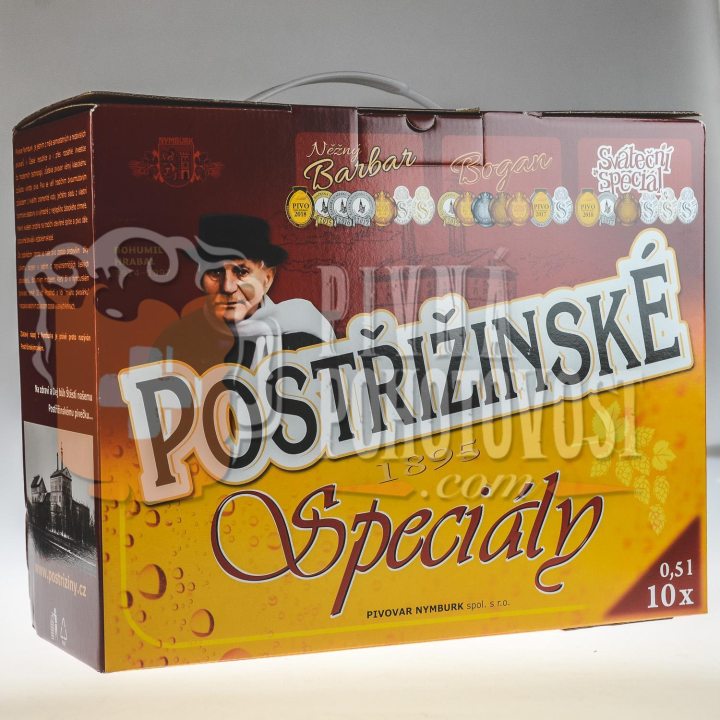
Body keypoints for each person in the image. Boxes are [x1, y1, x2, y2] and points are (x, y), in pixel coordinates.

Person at [154, 213, 334, 374]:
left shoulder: (305, 335)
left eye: (242, 272)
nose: (228, 287)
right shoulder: (174, 340)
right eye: (215, 272)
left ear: (267, 278)